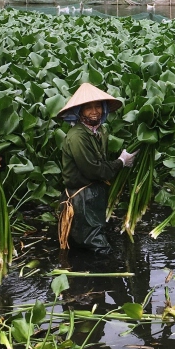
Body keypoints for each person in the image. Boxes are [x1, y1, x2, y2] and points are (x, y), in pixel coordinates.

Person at [57, 83, 136, 255]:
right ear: (79, 112)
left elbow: (102, 161)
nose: (94, 111)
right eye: (88, 108)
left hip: (95, 193)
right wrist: (121, 162)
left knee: (88, 243)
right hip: (82, 197)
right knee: (98, 248)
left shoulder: (101, 131)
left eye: (98, 106)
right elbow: (94, 170)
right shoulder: (77, 136)